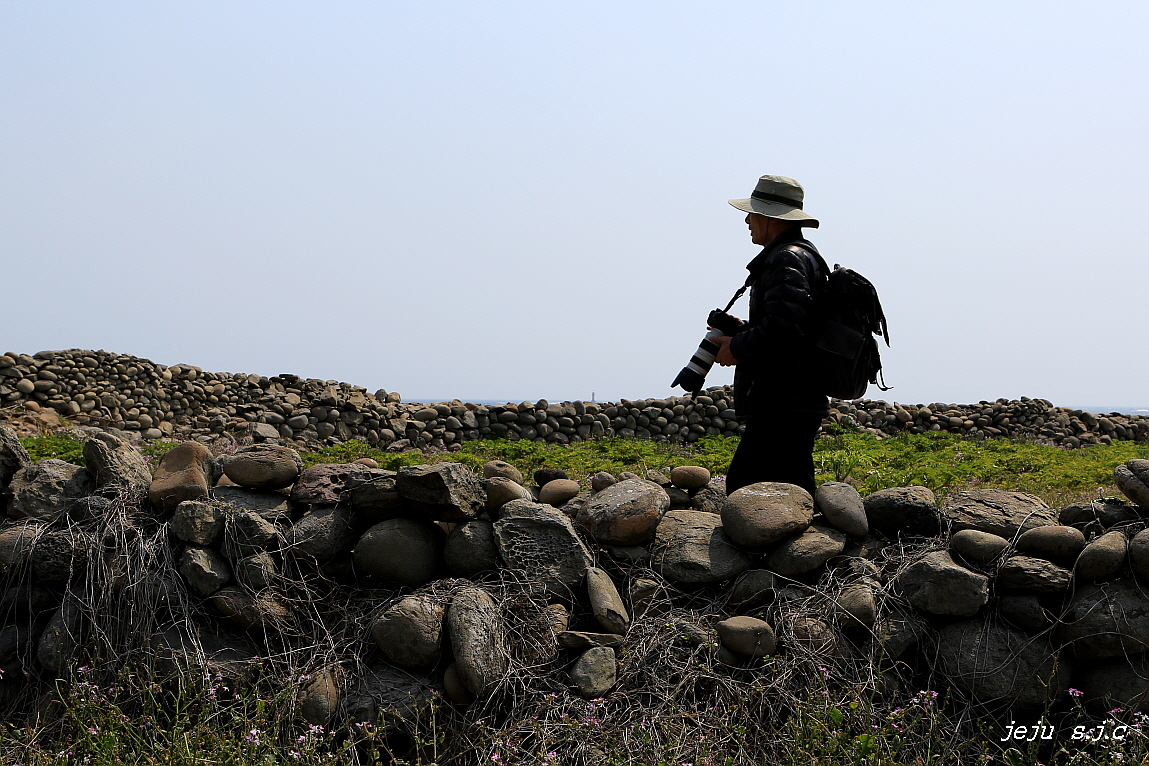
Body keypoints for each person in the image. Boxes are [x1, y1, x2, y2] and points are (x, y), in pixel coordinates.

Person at [711, 174, 829, 497]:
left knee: (746, 487)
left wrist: (736, 346)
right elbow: (791, 325)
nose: (747, 220)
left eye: (753, 213)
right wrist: (741, 330)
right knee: (788, 487)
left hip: (785, 401)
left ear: (771, 217)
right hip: (793, 398)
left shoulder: (786, 258)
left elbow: (785, 329)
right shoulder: (800, 254)